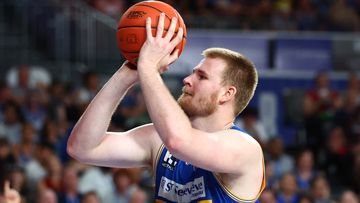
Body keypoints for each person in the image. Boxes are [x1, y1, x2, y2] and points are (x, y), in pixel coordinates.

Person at [67, 13, 265, 202]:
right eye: (192, 73)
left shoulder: (245, 148)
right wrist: (125, 76)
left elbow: (179, 142)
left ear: (227, 94)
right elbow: (82, 148)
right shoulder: (158, 140)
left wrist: (148, 68)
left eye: (202, 77)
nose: (187, 80)